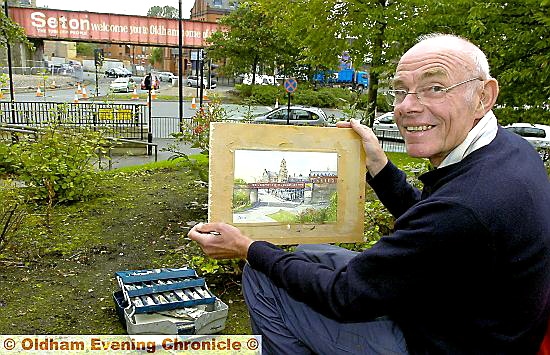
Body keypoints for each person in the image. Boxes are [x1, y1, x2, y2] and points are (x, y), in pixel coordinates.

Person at [188, 33, 550, 354]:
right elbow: (435, 223)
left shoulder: (465, 206)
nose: (407, 106)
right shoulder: (510, 149)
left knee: (262, 273)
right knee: (307, 251)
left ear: (483, 96)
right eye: (401, 90)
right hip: (474, 316)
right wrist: (378, 164)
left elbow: (346, 297)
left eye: (434, 88)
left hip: (440, 340)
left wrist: (247, 248)